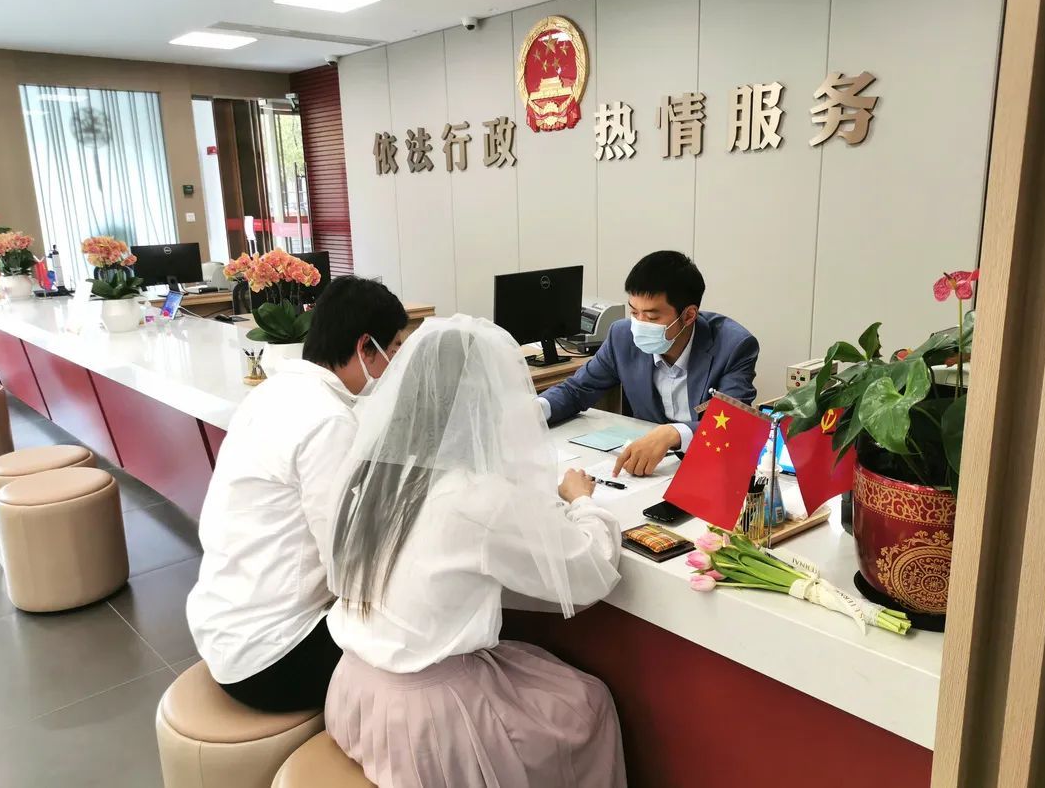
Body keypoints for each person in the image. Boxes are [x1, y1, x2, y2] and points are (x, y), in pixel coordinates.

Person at [324, 315, 626, 788]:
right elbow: (590, 570)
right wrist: (582, 502)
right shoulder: (475, 498)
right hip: (428, 724)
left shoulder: (373, 474)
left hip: (353, 695)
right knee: (588, 703)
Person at [185, 276, 408, 712]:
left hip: (223, 628)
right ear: (365, 347)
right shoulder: (328, 422)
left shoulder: (274, 390)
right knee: (424, 635)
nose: (397, 361)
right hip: (275, 659)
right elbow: (347, 564)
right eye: (395, 348)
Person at [539, 250, 759, 476]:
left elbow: (734, 423)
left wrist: (673, 433)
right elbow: (577, 390)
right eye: (634, 312)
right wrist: (535, 410)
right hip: (649, 468)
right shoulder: (622, 336)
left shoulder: (733, 346)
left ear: (689, 315)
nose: (640, 324)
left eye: (652, 317)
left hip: (710, 463)